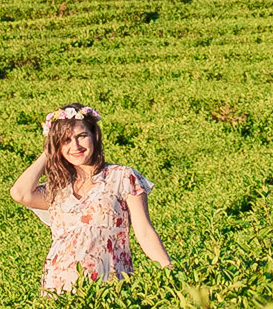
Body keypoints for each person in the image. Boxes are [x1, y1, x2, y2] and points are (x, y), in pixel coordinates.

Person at [9, 103, 172, 294]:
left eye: (81, 136)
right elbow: (20, 193)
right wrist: (49, 151)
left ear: (94, 135)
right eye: (66, 140)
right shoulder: (58, 187)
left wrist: (168, 271)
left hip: (109, 283)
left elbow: (144, 231)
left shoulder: (122, 177)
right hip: (59, 284)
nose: (75, 146)